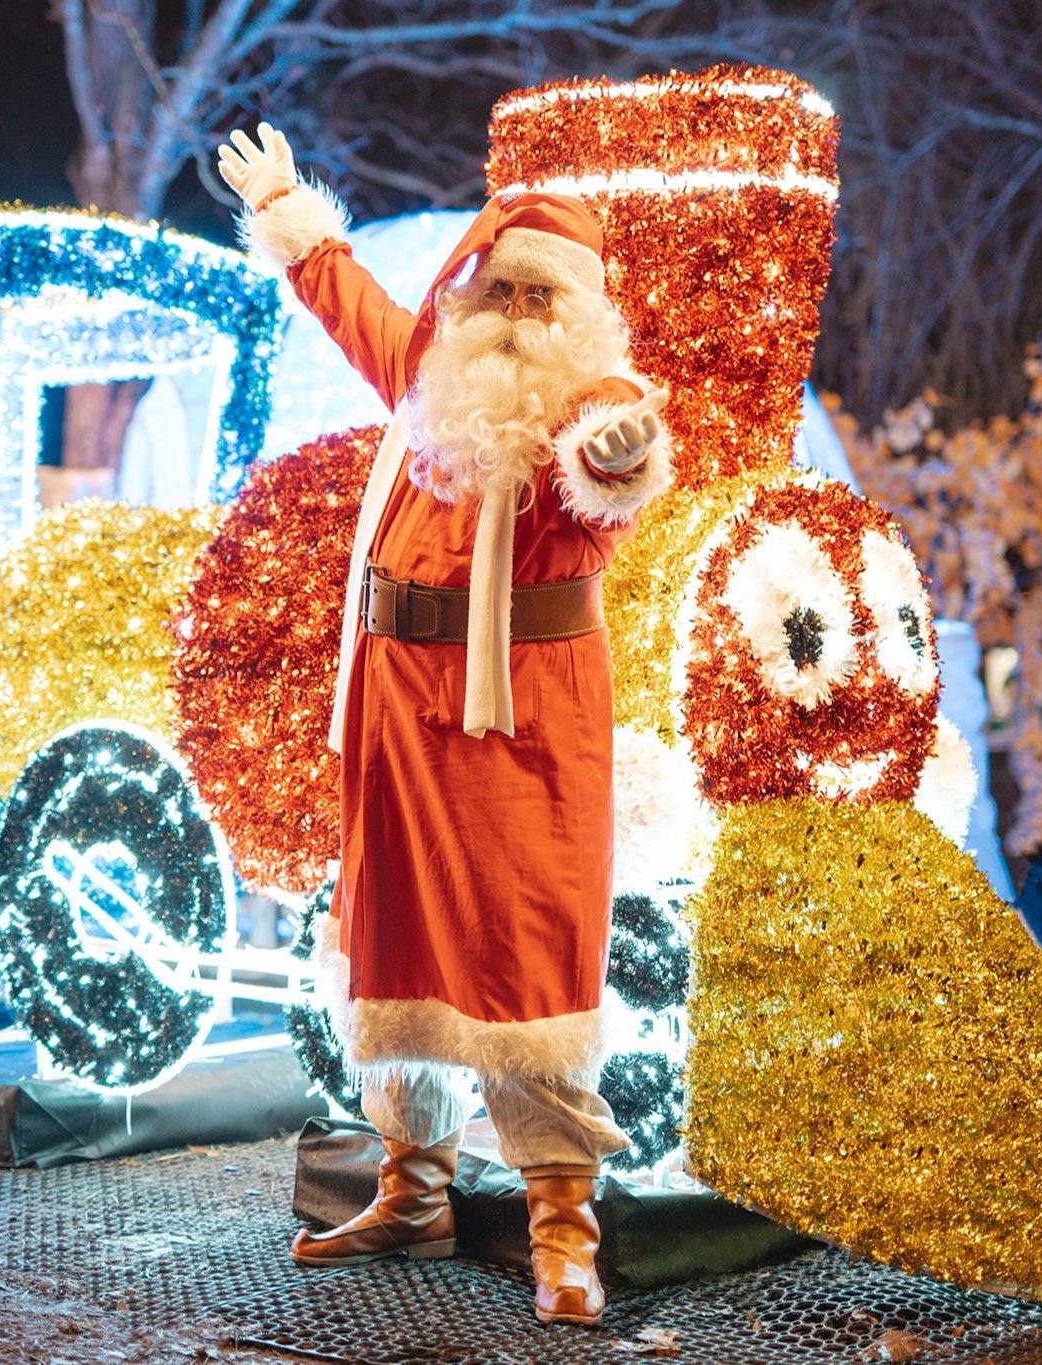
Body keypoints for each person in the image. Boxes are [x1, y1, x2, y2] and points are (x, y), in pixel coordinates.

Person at [218, 123, 672, 1327]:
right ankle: (412, 1188)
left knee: (528, 956)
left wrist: (620, 457)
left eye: (542, 293)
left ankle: (562, 1226)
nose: (517, 311)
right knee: (395, 938)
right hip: (398, 707)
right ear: (466, 295)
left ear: (577, 318)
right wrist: (288, 212)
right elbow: (352, 304)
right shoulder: (431, 374)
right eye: (501, 286)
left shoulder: (593, 399)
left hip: (520, 723)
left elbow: (611, 453)